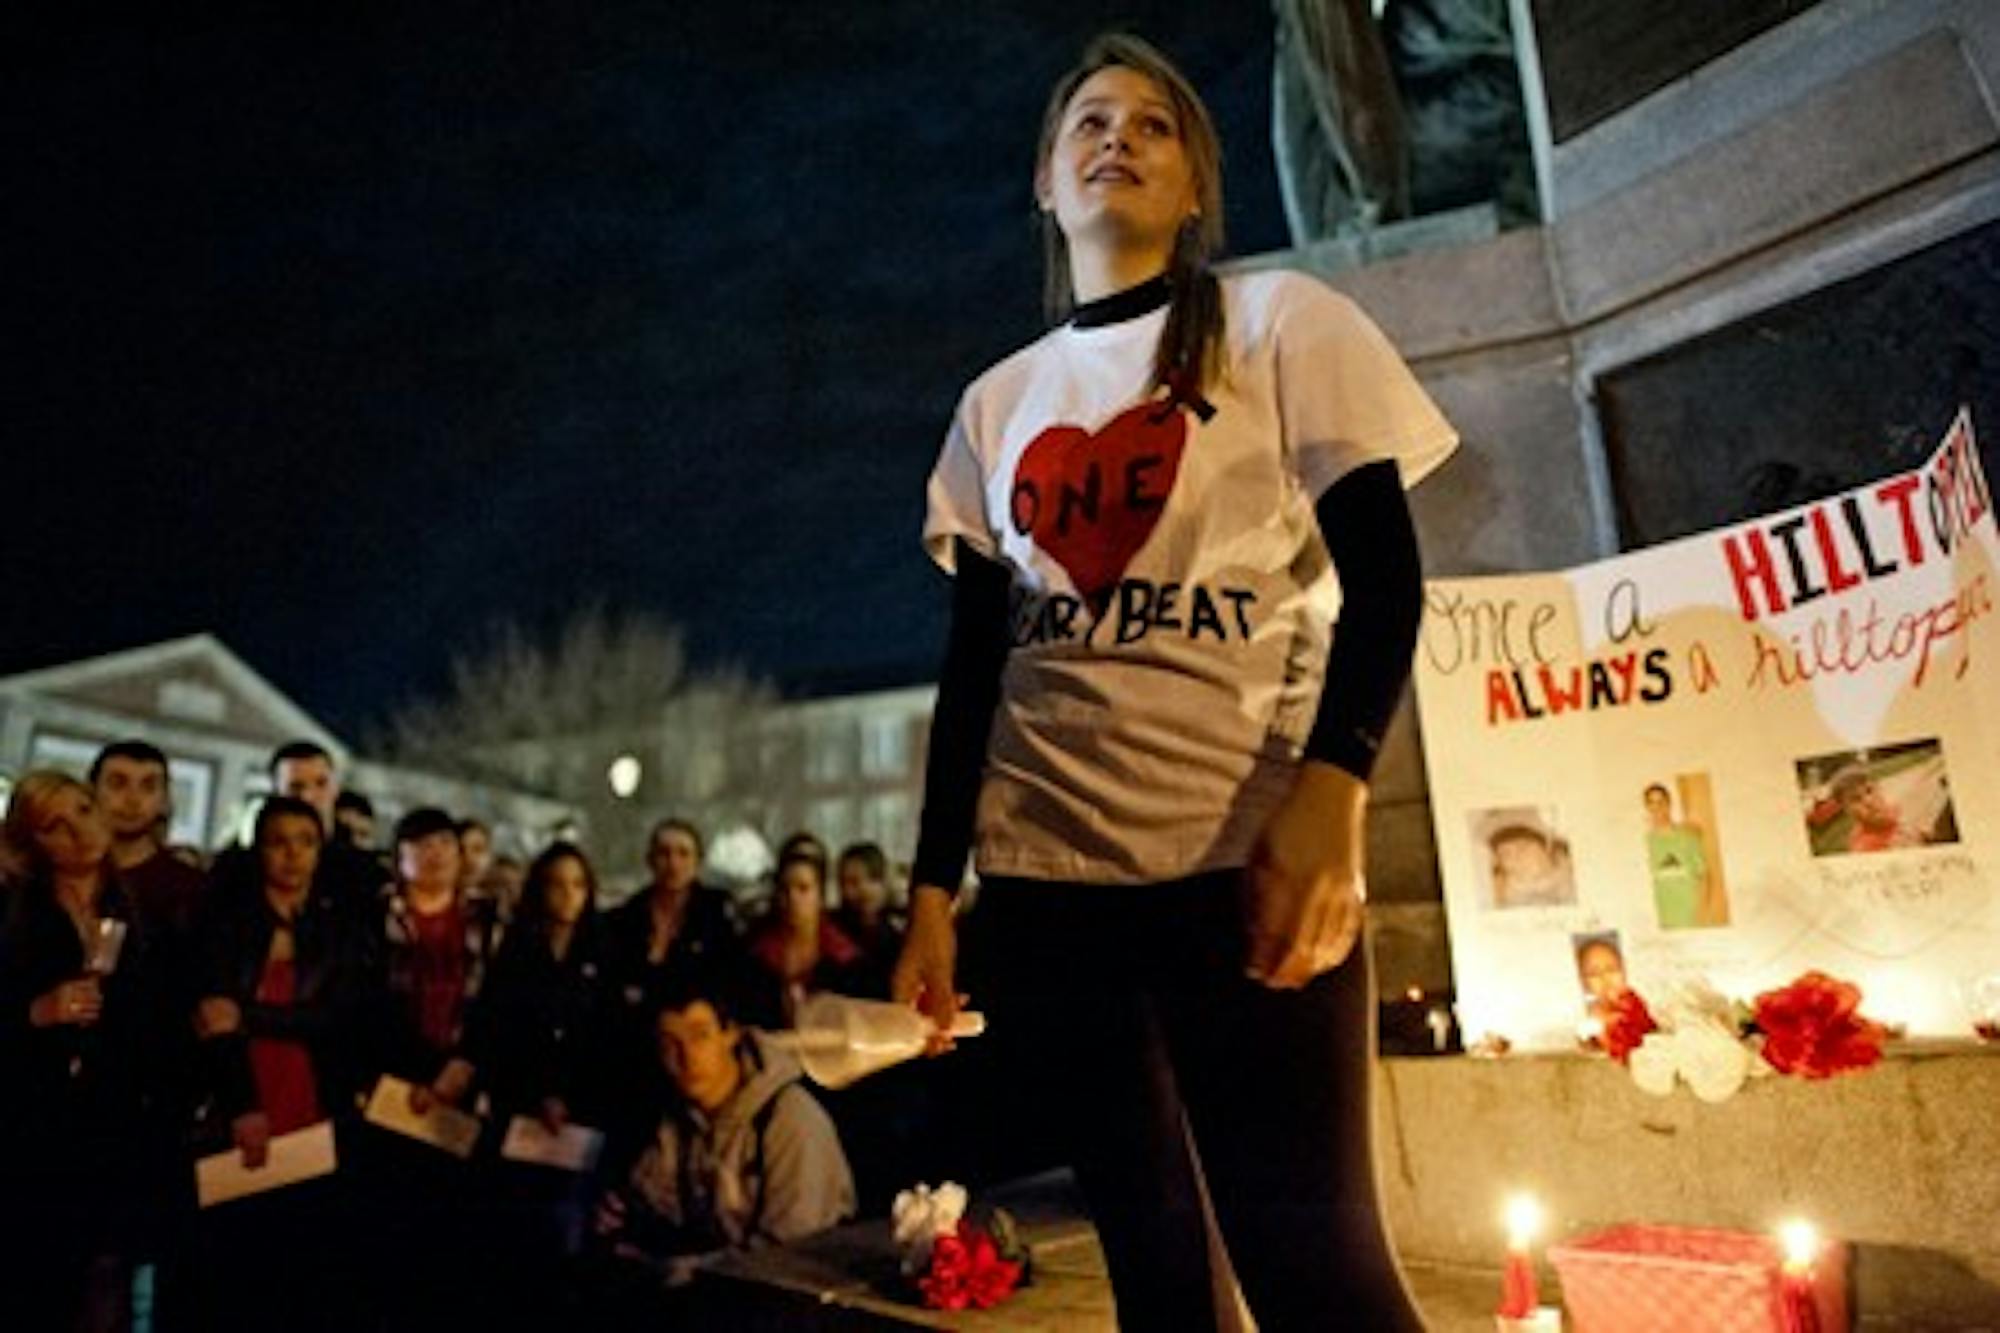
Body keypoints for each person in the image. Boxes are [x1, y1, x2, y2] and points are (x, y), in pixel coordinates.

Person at [893, 33, 1455, 1331]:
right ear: (1045, 181)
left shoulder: (1282, 323)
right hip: (1050, 895)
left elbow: (1385, 582)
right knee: (1157, 1278)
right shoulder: (995, 404)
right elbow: (975, 663)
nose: (1118, 139)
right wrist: (931, 892)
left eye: (1153, 124)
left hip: (1237, 867)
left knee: (1317, 1275)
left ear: (1196, 184)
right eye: (1089, 122)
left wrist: (1334, 787)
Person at [191, 795, 375, 1332]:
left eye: (306, 842)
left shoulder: (339, 929)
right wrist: (241, 1102)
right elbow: (210, 1018)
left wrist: (248, 1015)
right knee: (230, 1267)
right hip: (238, 1100)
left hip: (314, 1104)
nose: (293, 855)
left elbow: (340, 1018)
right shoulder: (224, 924)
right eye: (278, 842)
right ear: (258, 850)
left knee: (300, 1267)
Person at [0, 771, 174, 1331]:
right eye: (55, 825)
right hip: (31, 1123)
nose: (79, 831)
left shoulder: (141, 909)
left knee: (105, 1276)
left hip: (117, 1121)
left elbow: (161, 1017)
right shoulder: (14, 911)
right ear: (31, 841)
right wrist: (33, 1013)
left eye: (82, 809)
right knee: (33, 1277)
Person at [591, 972, 855, 1296]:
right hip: (723, 1286)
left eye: (700, 1036)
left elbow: (792, 1249)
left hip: (794, 1294)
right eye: (670, 1042)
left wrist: (689, 1270)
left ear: (730, 1035)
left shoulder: (789, 1119)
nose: (687, 1057)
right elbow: (652, 1202)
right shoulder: (679, 1120)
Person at [91, 739, 206, 939]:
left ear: (164, 799)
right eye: (117, 784)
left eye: (148, 787)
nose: (132, 800)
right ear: (91, 790)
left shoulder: (192, 890)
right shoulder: (67, 875)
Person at [745, 846, 863, 1028]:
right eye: (784, 889)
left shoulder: (845, 958)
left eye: (803, 889)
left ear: (820, 896)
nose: (792, 898)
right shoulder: (755, 955)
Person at [1642, 783, 1723, 927]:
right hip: (1664, 918)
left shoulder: (1688, 836)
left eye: (1661, 802)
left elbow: (1705, 876)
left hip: (1690, 916)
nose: (1657, 808)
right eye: (1652, 803)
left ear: (1668, 804)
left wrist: (1702, 913)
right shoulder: (1647, 841)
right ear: (1647, 807)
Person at [834, 841, 903, 993]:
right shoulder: (833, 934)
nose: (864, 889)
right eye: (850, 882)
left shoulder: (897, 939)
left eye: (872, 879)